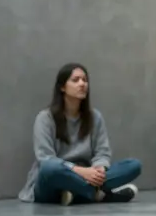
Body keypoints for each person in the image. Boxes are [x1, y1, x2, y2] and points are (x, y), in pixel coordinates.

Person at [18, 63, 142, 205]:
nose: (82, 84)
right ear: (62, 87)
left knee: (134, 165)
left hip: (89, 173)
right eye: (75, 80)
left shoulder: (95, 117)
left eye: (84, 80)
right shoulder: (45, 118)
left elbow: (102, 152)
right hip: (56, 178)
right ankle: (97, 194)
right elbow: (45, 158)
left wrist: (98, 169)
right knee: (48, 169)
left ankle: (76, 193)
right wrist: (80, 172)